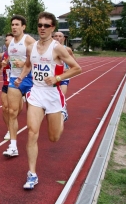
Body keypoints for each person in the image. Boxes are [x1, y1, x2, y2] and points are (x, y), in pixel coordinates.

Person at [15, 11, 82, 189]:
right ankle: (32, 174)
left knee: (53, 137)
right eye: (40, 25)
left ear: (52, 27)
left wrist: (58, 79)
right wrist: (21, 77)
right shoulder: (31, 47)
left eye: (46, 25)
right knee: (32, 132)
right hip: (36, 92)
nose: (42, 28)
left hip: (53, 95)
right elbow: (29, 64)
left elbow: (76, 68)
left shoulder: (58, 48)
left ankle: (62, 113)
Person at [3, 15, 36, 157]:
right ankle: (13, 146)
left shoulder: (28, 40)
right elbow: (11, 59)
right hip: (15, 79)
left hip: (30, 79)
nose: (14, 27)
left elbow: (38, 56)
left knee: (32, 114)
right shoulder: (10, 44)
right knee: (12, 112)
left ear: (23, 27)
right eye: (12, 24)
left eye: (17, 24)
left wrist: (24, 64)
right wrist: (7, 64)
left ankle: (32, 141)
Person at [0, 33, 14, 140]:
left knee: (14, 111)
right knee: (5, 108)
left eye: (11, 40)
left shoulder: (22, 54)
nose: (9, 42)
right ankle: (9, 130)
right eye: (7, 40)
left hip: (20, 85)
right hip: (7, 84)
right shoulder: (2, 55)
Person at [52, 32, 76, 97]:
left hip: (64, 76)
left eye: (60, 36)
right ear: (53, 38)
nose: (57, 37)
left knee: (61, 96)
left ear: (63, 38)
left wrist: (69, 69)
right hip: (52, 75)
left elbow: (74, 63)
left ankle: (62, 106)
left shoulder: (68, 49)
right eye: (56, 36)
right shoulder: (50, 48)